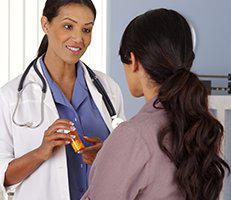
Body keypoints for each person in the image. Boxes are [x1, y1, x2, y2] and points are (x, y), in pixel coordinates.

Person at [81, 8, 230, 200]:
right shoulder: (200, 129)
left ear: (134, 60)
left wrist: (117, 154)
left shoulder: (132, 135)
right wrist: (111, 159)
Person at [0, 0, 125, 200]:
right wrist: (40, 152)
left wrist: (105, 155)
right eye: (68, 26)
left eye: (86, 30)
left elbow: (125, 160)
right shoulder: (10, 97)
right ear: (45, 24)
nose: (78, 38)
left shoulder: (108, 88)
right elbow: (3, 177)